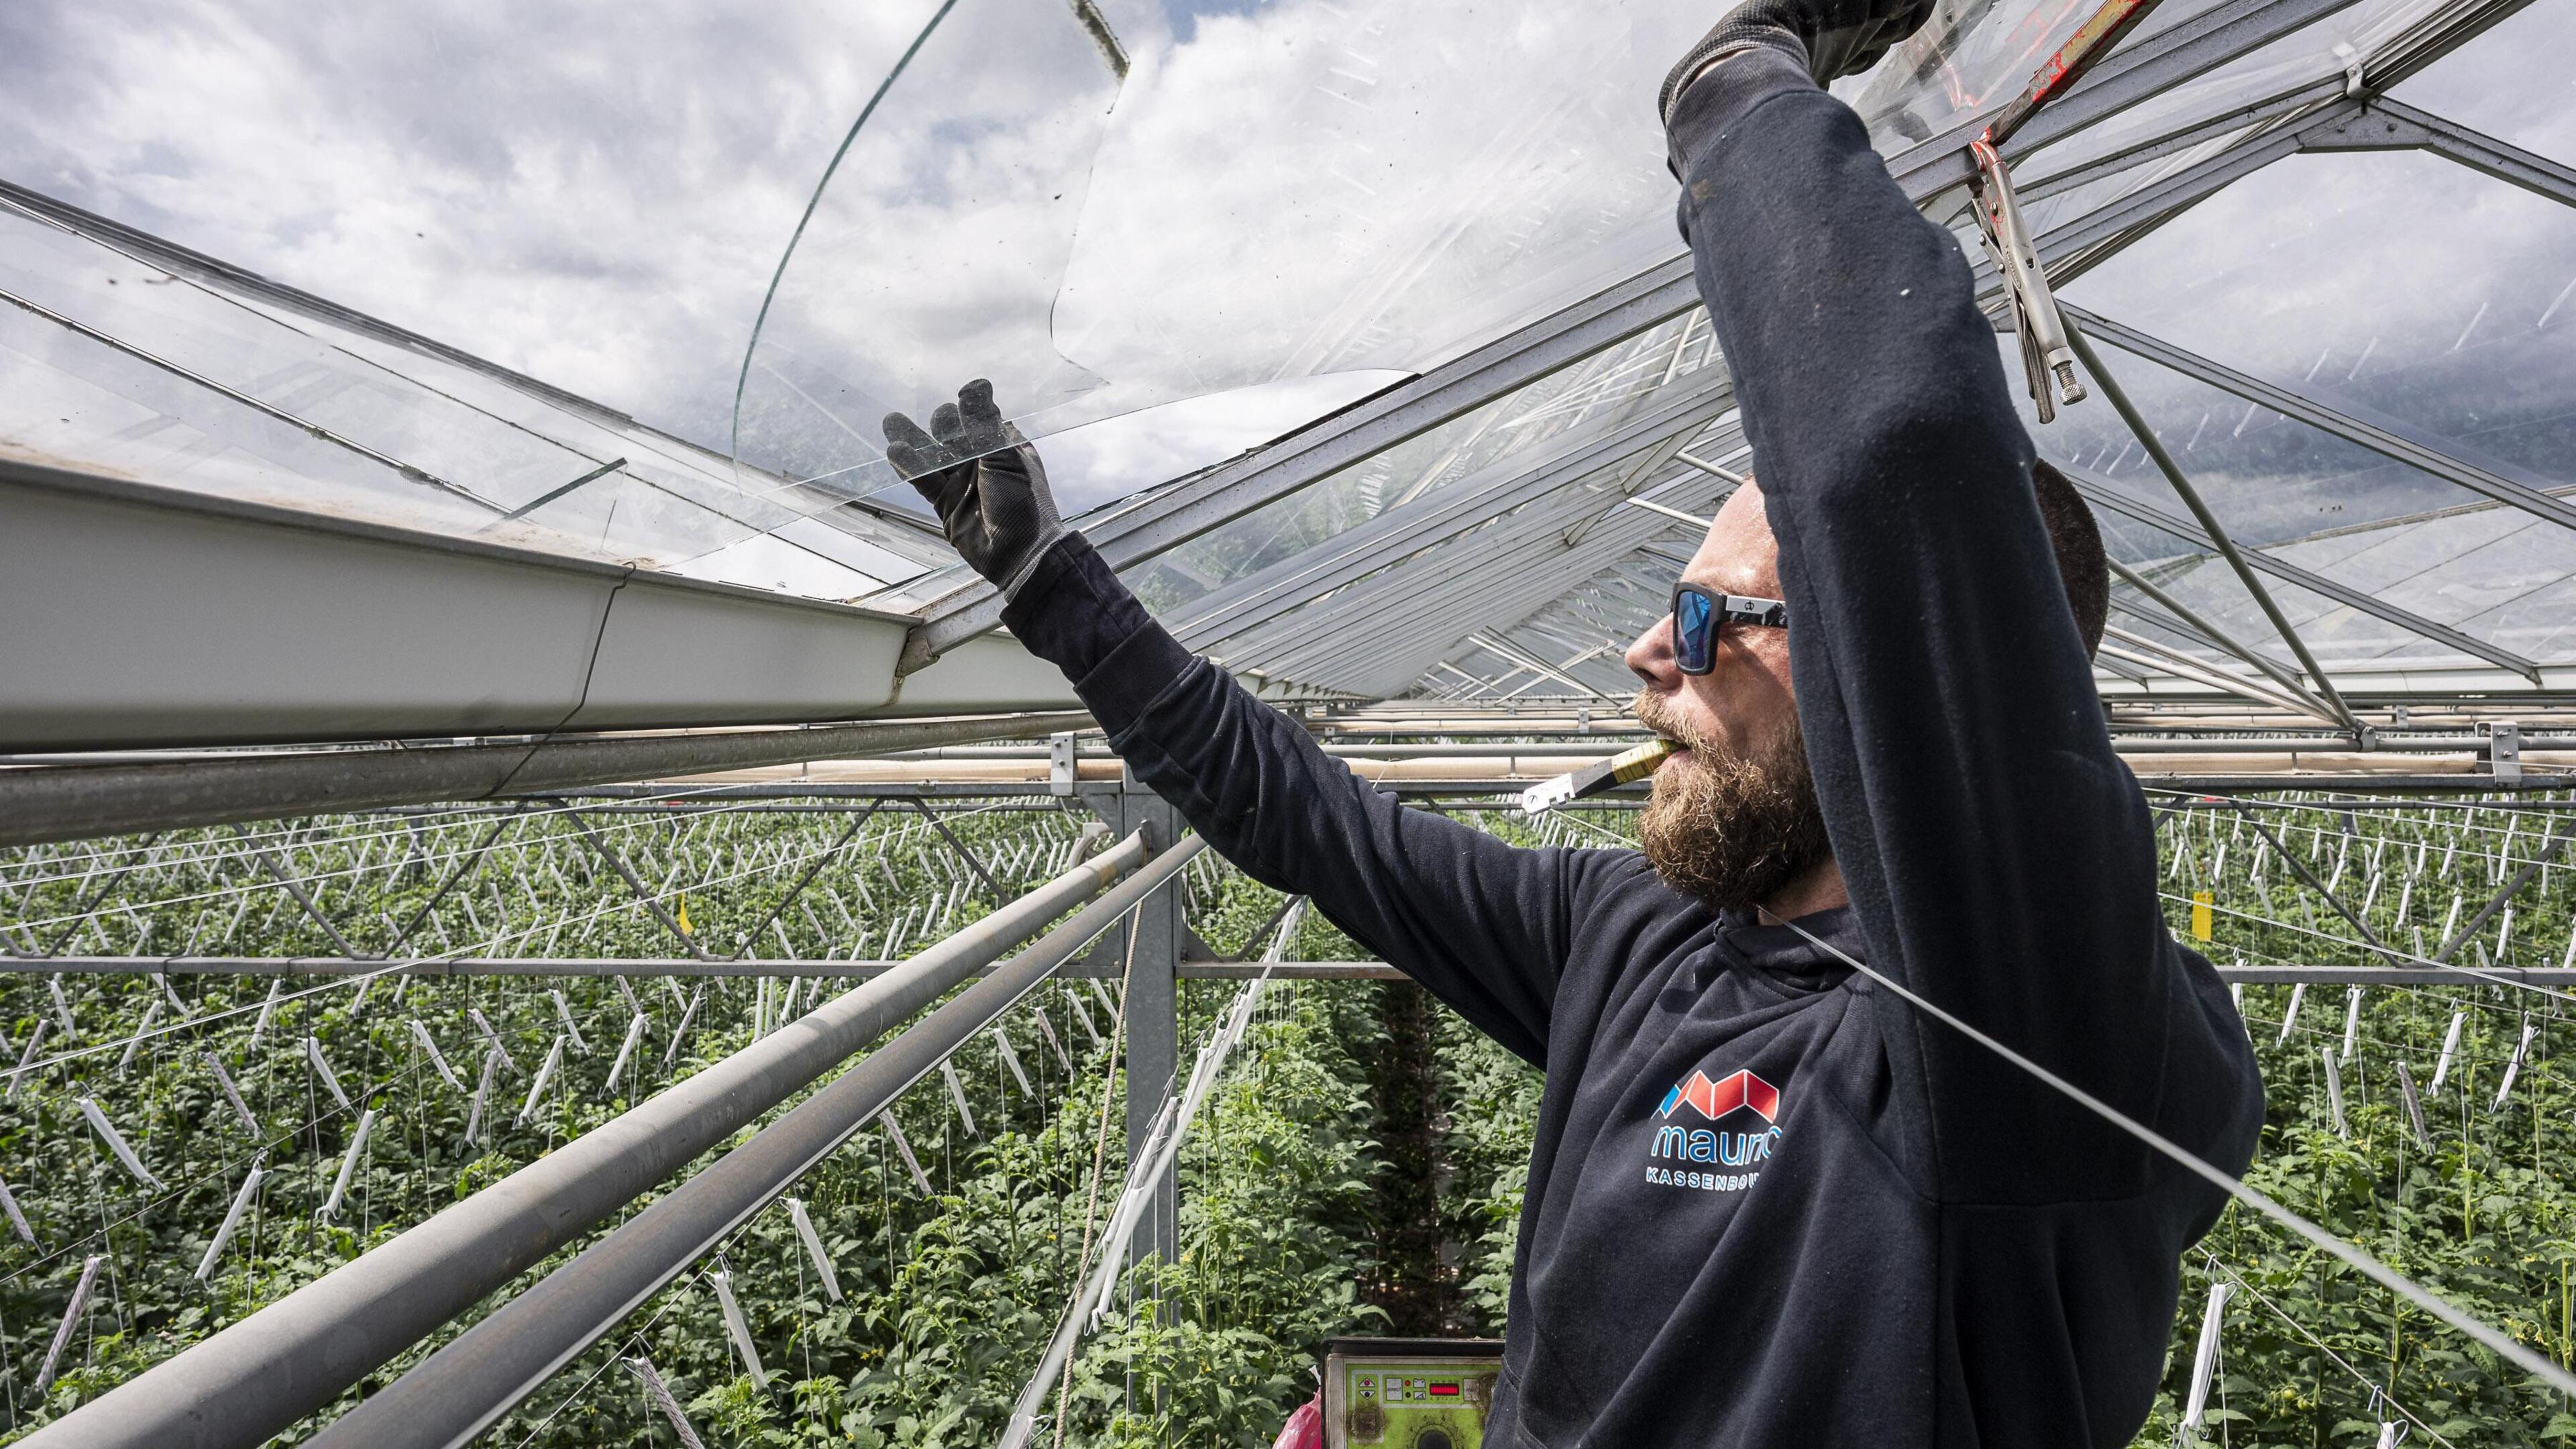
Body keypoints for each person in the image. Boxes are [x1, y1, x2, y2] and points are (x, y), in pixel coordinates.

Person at [881, 0, 2264, 1439]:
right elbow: (1310, 819)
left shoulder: (2041, 1039)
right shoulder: (1638, 937)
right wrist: (1054, 590)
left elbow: (1890, 453)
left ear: (1889, 658)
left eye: (1712, 618)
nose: (1648, 654)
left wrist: (1738, 86)